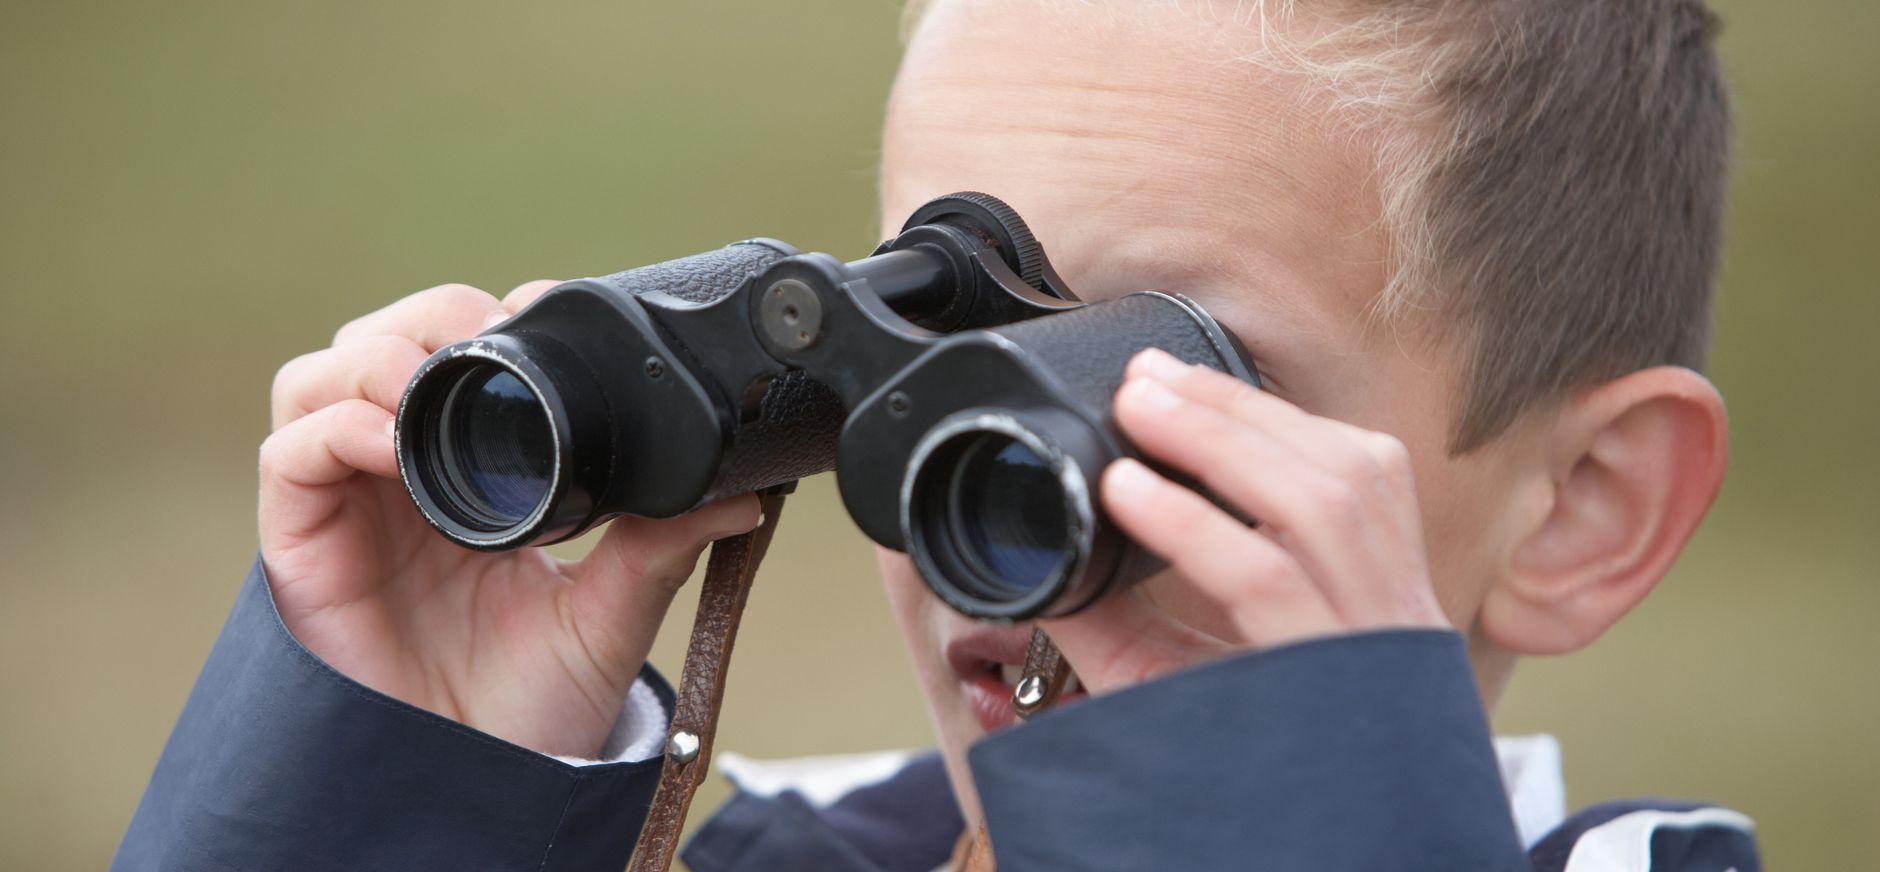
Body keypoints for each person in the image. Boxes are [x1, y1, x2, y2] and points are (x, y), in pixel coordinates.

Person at [113, 1, 1758, 870]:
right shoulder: (764, 845)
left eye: (1169, 373)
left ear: (1577, 512)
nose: (974, 468)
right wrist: (408, 798)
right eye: (939, 341)